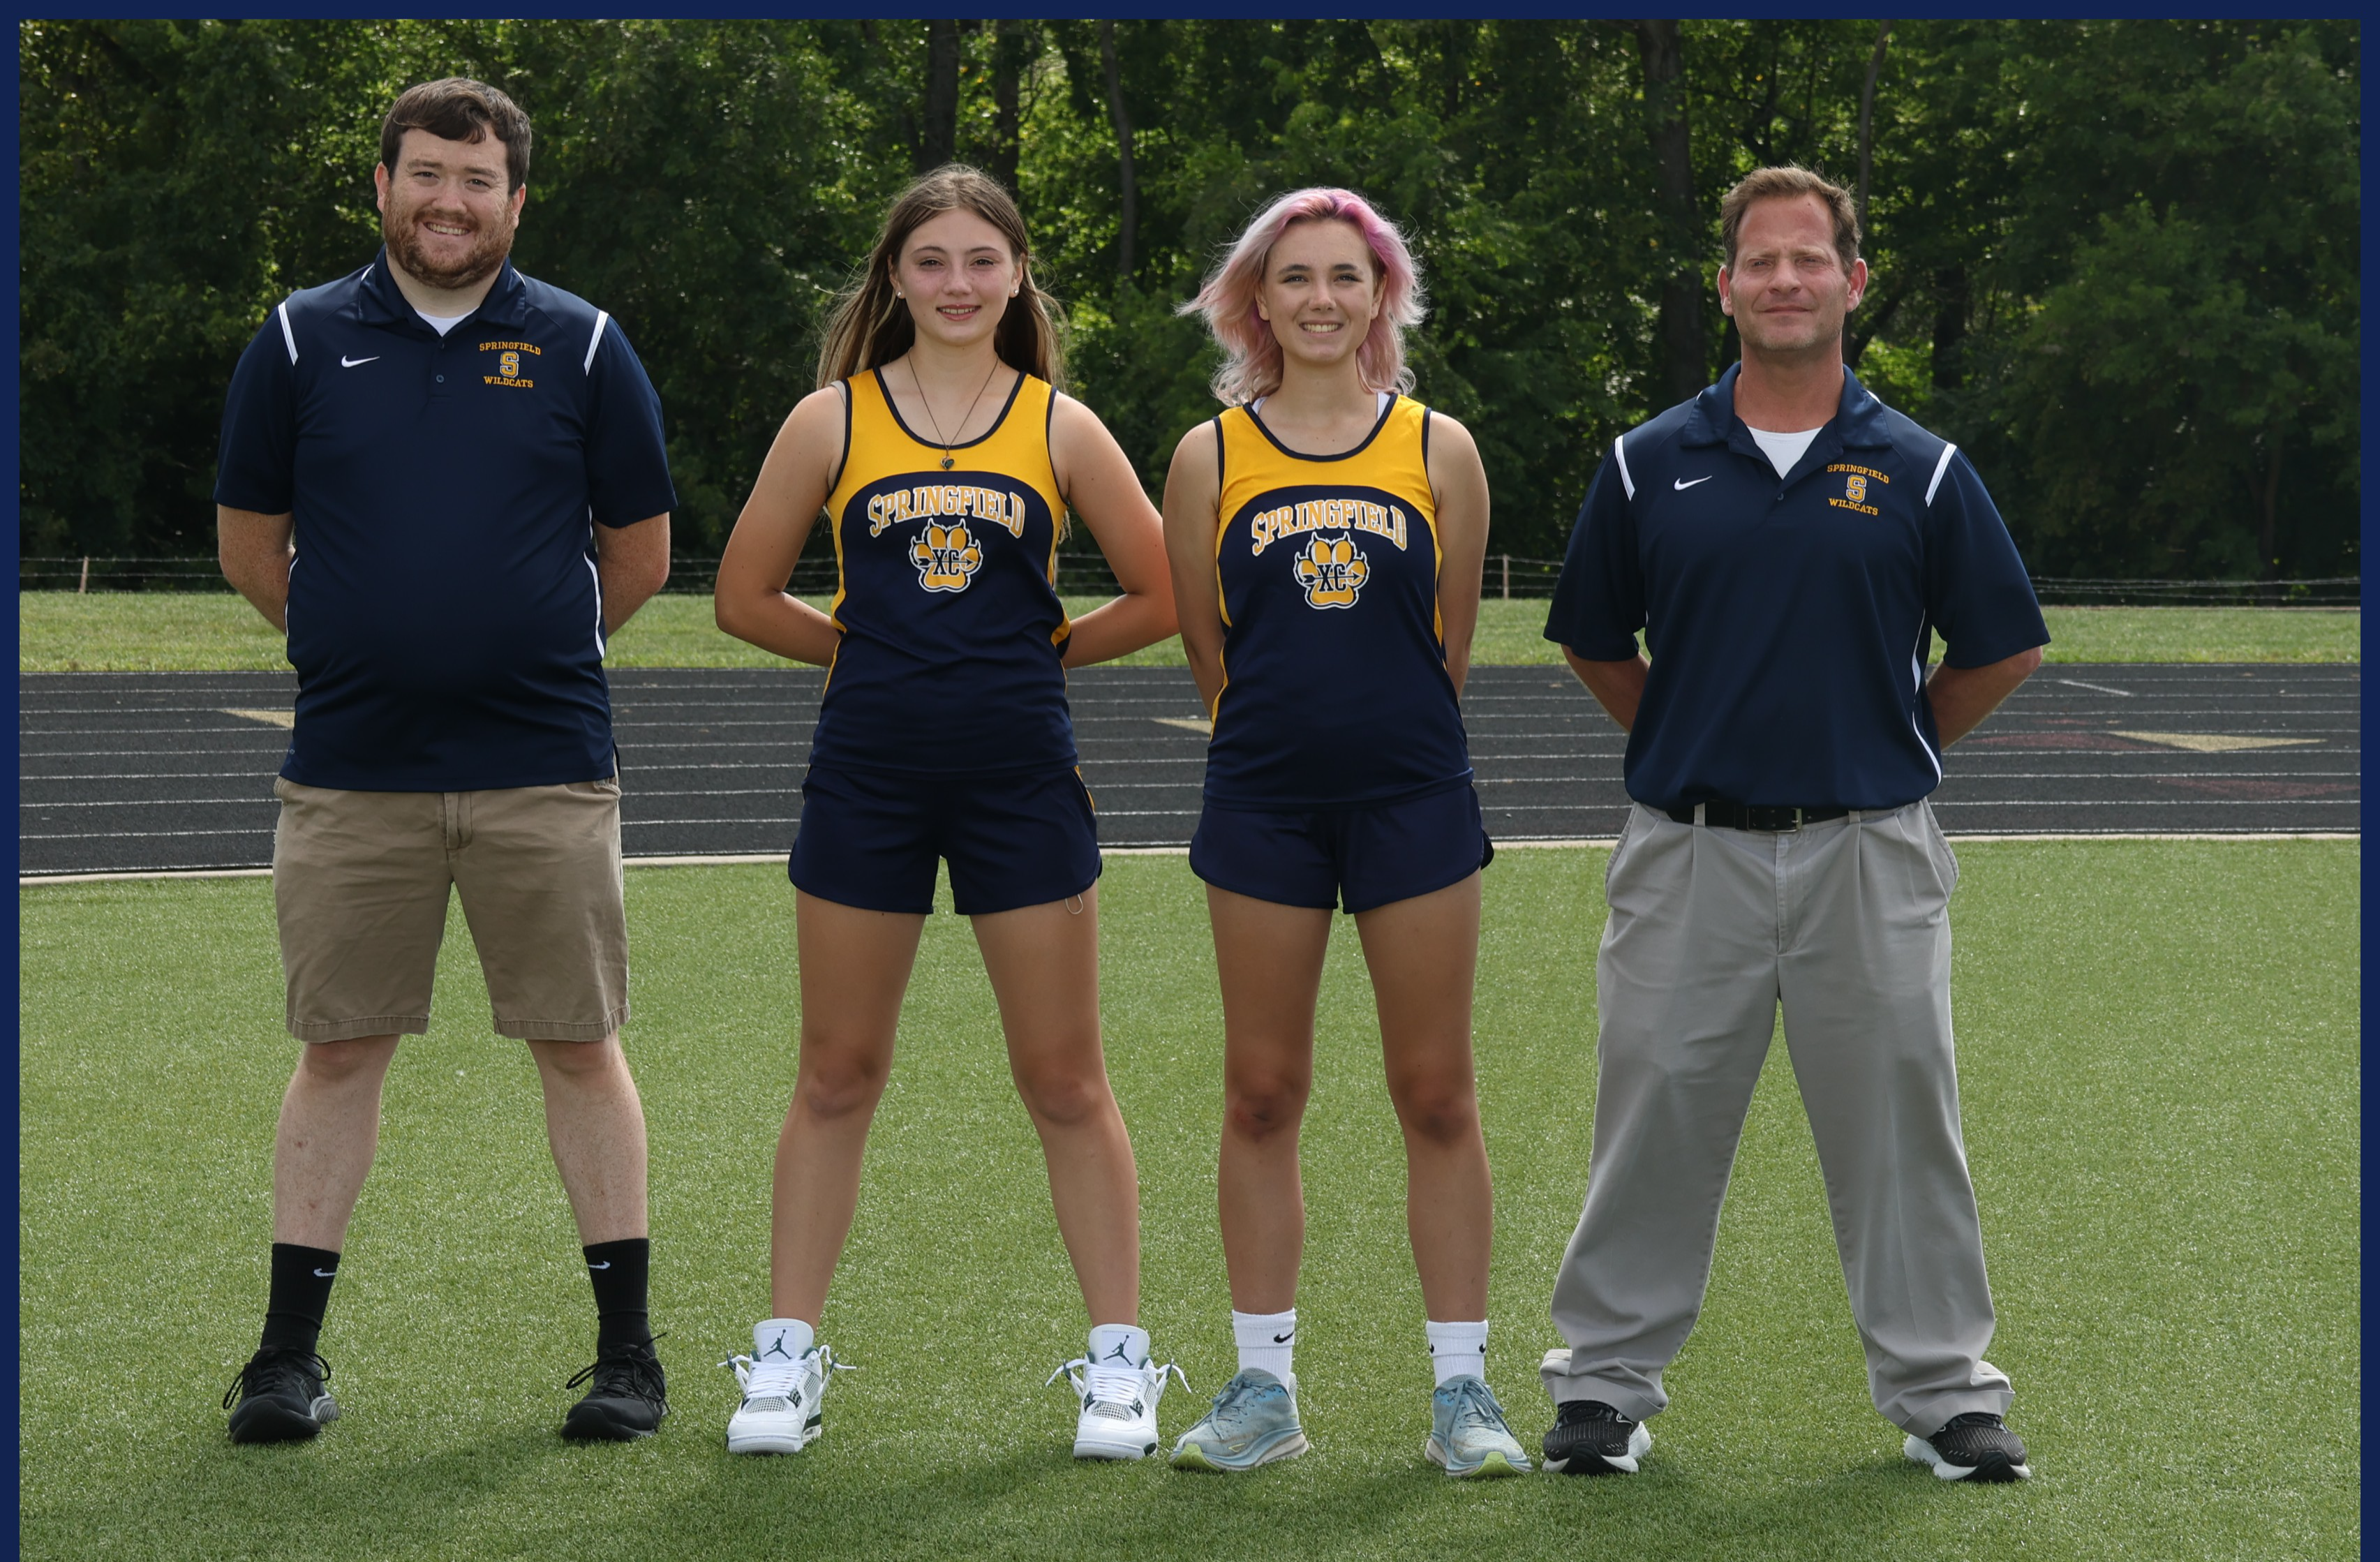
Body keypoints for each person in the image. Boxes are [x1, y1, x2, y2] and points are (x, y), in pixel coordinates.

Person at [1536, 165, 2047, 1482]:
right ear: (1725, 286)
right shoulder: (1648, 463)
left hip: (1867, 850)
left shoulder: (1921, 470)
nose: (1782, 281)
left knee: (1899, 1118)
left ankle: (1944, 1393)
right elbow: (1596, 640)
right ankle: (1602, 1388)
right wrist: (1679, 740)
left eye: (1807, 260)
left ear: (1851, 282)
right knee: (1650, 1109)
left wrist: (1899, 743)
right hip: (1686, 850)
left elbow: (2000, 647)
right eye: (1758, 262)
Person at [211, 78, 677, 1444]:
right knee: (338, 1048)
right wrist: (362, 640)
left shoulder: (586, 346)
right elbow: (252, 542)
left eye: (476, 181)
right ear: (382, 185)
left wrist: (519, 645)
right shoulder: (297, 341)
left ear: (516, 201)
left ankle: (627, 1356)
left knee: (580, 1045)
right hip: (355, 770)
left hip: (543, 765)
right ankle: (286, 1361)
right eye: (425, 173)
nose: (448, 201)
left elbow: (639, 554)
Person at [711, 165, 1183, 1461]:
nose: (959, 283)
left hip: (1020, 778)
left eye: (984, 260)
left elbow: (1158, 594)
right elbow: (743, 596)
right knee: (835, 1072)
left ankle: (1118, 1368)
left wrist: (1035, 657)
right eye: (932, 262)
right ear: (894, 280)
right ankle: (787, 1359)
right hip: (865, 772)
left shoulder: (1060, 426)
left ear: (1019, 275)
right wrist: (868, 655)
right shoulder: (831, 421)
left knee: (1065, 1079)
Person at [1157, 188, 1527, 1479]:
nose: (1320, 299)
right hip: (1261, 806)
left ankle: (1462, 1395)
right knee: (1261, 1094)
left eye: (1346, 278)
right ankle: (1262, 1389)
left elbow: (1449, 646)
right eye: (1294, 277)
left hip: (1414, 802)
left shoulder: (1440, 448)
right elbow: (1210, 652)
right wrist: (1286, 749)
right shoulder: (1209, 454)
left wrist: (1380, 751)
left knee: (1435, 1094)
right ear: (1255, 301)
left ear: (1382, 298)